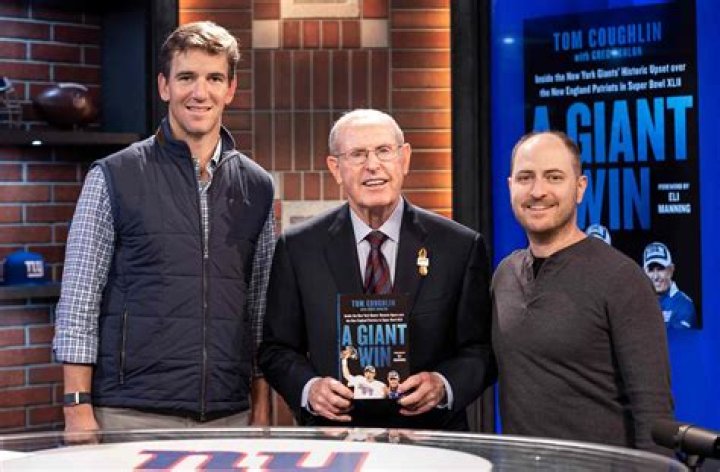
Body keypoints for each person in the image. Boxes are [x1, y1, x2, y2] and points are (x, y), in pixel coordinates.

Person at [53, 21, 275, 434]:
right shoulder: (114, 175)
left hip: (229, 415)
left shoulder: (257, 186)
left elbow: (261, 308)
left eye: (214, 79)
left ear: (230, 89)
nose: (200, 92)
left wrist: (261, 408)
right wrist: (76, 406)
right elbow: (79, 299)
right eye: (186, 77)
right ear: (164, 86)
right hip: (130, 412)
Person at [258, 109, 493, 430]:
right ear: (335, 168)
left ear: (404, 159)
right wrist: (309, 389)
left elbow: (481, 349)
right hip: (336, 438)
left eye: (383, 151)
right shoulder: (298, 248)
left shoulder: (459, 246)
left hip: (430, 439)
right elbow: (276, 348)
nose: (372, 165)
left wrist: (443, 384)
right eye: (357, 154)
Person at [492, 130, 674, 452]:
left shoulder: (623, 279)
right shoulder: (504, 275)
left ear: (580, 188)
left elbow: (654, 411)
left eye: (554, 177)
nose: (538, 191)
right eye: (525, 178)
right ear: (510, 187)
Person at [643, 241, 697, 329]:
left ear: (671, 270)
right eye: (651, 270)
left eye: (660, 269)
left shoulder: (683, 304)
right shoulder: (638, 303)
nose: (656, 277)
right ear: (644, 273)